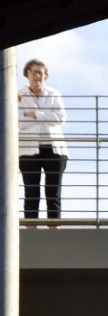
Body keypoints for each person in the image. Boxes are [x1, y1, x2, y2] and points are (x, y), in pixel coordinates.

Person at [18, 58, 69, 222]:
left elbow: (60, 118)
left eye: (40, 72)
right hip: (28, 150)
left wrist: (34, 114)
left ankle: (54, 228)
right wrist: (46, 116)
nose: (37, 75)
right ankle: (31, 229)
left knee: (53, 191)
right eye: (34, 72)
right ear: (27, 74)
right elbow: (19, 122)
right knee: (31, 191)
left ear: (45, 75)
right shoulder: (18, 95)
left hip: (54, 150)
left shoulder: (54, 94)